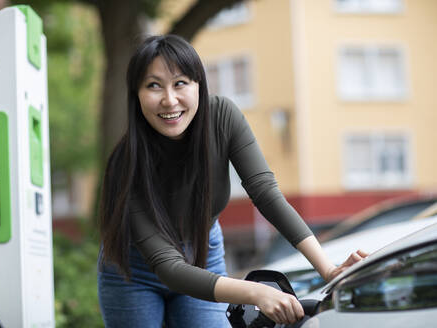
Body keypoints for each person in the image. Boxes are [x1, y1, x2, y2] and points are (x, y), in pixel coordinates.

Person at [97, 34, 367, 328]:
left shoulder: (223, 118)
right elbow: (169, 268)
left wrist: (328, 269)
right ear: (135, 95)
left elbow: (266, 194)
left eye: (180, 83)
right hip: (133, 271)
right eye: (153, 85)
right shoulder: (125, 163)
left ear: (199, 84)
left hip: (202, 253)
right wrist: (255, 292)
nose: (169, 99)